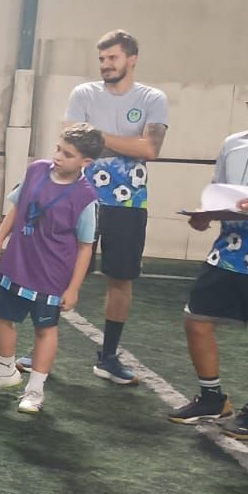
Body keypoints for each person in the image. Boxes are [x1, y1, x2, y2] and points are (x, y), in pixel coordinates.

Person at [169, 72, 248, 441]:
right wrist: (204, 216)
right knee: (196, 319)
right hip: (229, 250)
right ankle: (212, 398)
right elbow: (222, 194)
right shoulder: (233, 144)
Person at [0, 125, 104, 414]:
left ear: (86, 162)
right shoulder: (36, 170)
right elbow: (17, 208)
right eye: (58, 149)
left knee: (45, 329)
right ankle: (5, 372)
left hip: (52, 274)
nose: (58, 157)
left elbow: (85, 246)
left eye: (67, 154)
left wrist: (73, 288)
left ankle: (34, 391)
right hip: (17, 262)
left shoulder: (86, 197)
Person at [63, 30, 169, 385]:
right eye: (102, 59)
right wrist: (127, 143)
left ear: (131, 59)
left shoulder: (152, 98)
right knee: (62, 271)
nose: (106, 64)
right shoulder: (83, 93)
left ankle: (108, 357)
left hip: (129, 201)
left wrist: (97, 136)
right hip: (81, 196)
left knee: (120, 278)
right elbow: (73, 144)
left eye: (113, 58)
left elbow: (150, 149)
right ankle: (41, 347)